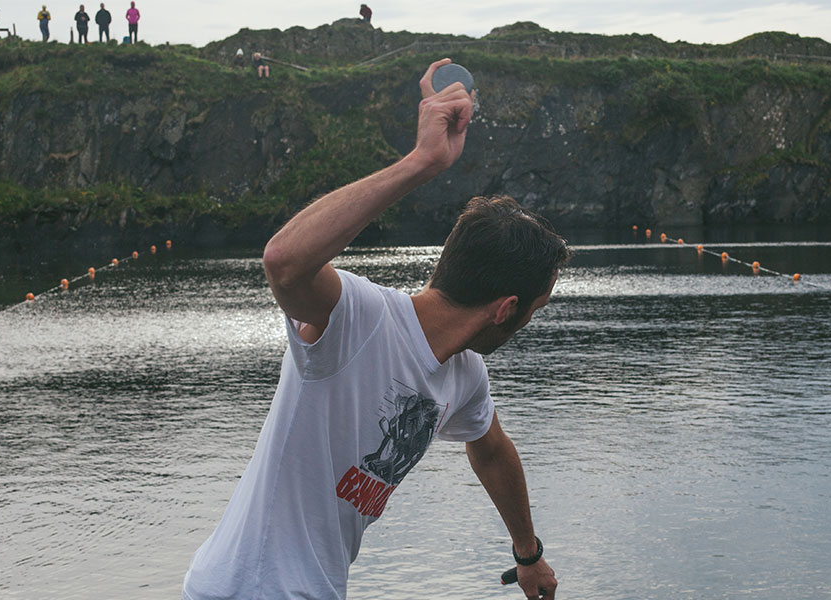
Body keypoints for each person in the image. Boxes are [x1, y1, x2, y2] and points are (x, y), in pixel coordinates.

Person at [181, 58, 563, 600]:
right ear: (506, 309)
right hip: (249, 588)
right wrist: (422, 162)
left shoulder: (463, 376)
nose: (530, 322)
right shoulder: (359, 317)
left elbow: (492, 450)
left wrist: (528, 554)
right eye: (536, 309)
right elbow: (283, 261)